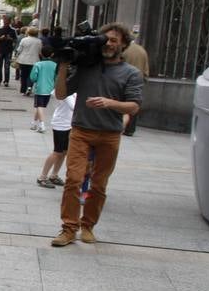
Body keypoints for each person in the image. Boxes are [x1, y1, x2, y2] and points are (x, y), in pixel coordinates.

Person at [49, 23, 144, 248]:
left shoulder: (131, 73)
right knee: (73, 180)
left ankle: (88, 226)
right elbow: (62, 94)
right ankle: (68, 228)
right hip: (81, 130)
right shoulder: (86, 67)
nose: (108, 44)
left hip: (109, 135)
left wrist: (109, 103)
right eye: (105, 39)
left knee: (98, 185)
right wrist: (63, 66)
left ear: (123, 45)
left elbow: (134, 107)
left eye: (113, 40)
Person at [38, 93, 76, 188]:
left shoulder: (74, 91)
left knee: (64, 152)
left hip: (69, 124)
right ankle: (42, 177)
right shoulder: (67, 92)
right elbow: (73, 106)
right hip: (61, 124)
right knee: (57, 152)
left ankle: (54, 175)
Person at [120, 36, 150, 136]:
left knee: (122, 105)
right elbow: (146, 70)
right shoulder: (142, 50)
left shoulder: (123, 50)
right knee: (134, 104)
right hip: (138, 81)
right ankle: (130, 129)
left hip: (123, 80)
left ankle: (122, 126)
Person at [28, 48, 58, 133]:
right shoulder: (55, 65)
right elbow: (56, 77)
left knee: (39, 106)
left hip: (40, 88)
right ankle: (34, 123)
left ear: (41, 54)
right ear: (52, 54)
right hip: (50, 88)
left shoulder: (38, 64)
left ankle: (42, 125)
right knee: (40, 106)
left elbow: (33, 77)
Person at [14, 26, 43, 95]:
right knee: (31, 75)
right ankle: (29, 87)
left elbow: (19, 50)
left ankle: (23, 90)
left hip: (23, 60)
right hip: (34, 60)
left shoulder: (24, 40)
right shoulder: (39, 41)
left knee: (23, 75)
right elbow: (40, 51)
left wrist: (16, 55)